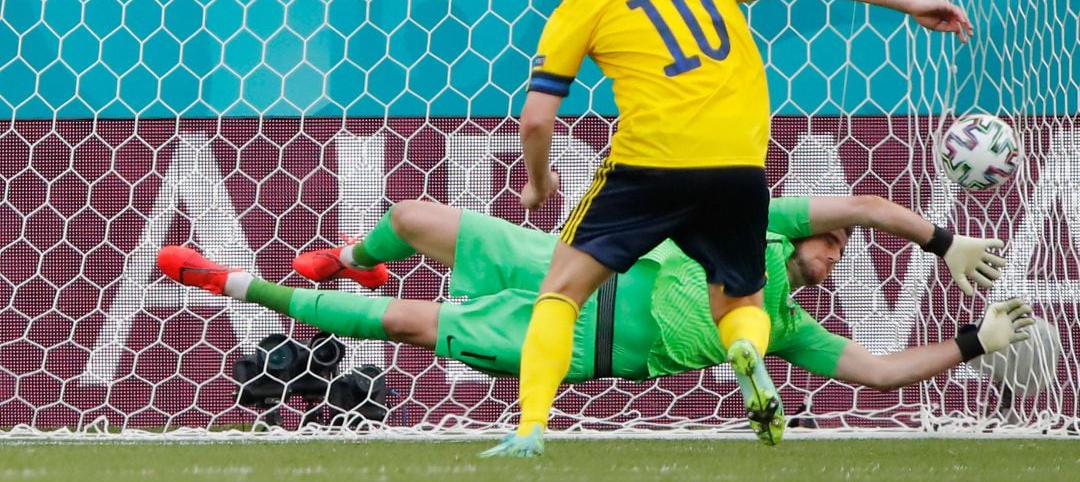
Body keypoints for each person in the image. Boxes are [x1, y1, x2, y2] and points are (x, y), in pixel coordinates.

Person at [502, 0, 975, 453]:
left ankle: (529, 432)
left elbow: (537, 118)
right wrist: (910, 4)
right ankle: (745, 348)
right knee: (742, 301)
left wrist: (539, 180)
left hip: (649, 162)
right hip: (738, 163)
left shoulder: (583, 0)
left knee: (561, 293)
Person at [157, 195, 1029, 448]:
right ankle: (348, 253)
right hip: (569, 263)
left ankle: (235, 285)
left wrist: (972, 343)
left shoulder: (788, 326)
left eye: (840, 252)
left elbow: (877, 374)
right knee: (418, 217)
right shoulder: (757, 230)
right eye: (832, 242)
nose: (835, 252)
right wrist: (941, 242)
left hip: (574, 341)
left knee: (402, 325)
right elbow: (869, 204)